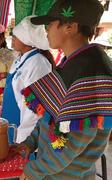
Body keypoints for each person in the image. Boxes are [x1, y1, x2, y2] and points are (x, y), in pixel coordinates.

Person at [16, 0, 112, 179]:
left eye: (50, 23)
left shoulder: (91, 72)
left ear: (70, 26)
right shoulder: (72, 64)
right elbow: (51, 117)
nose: (46, 30)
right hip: (53, 171)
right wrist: (30, 142)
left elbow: (73, 141)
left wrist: (35, 171)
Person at [1, 16, 53, 144]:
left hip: (23, 132)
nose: (12, 39)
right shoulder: (20, 59)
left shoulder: (38, 64)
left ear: (27, 40)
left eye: (15, 36)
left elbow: (35, 110)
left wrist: (24, 140)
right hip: (10, 124)